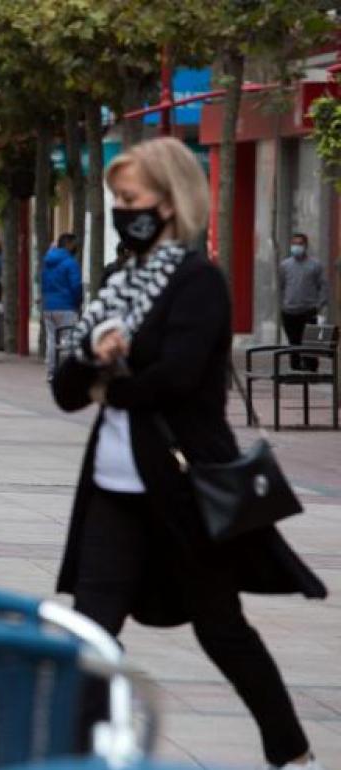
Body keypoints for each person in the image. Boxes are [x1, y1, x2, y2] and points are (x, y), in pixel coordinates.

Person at [52, 137, 326, 770]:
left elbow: (176, 379)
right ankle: (78, 754)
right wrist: (97, 361)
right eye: (117, 200)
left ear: (170, 203)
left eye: (131, 199)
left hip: (182, 489)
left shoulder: (197, 280)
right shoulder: (120, 282)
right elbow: (69, 389)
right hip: (113, 491)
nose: (123, 211)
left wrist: (109, 374)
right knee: (90, 630)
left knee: (221, 630)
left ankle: (292, 751)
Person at [278, 233, 329, 372]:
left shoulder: (315, 265)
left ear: (305, 246)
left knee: (309, 344)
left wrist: (319, 305)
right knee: (293, 343)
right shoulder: (285, 265)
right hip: (289, 311)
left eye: (299, 244)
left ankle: (311, 369)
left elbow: (323, 286)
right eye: (294, 244)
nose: (296, 247)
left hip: (308, 310)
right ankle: (295, 369)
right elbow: (281, 286)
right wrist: (283, 304)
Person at [41, 233, 83, 380]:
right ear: (68, 245)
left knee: (51, 340)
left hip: (49, 306)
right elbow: (76, 286)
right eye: (74, 244)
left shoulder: (47, 262)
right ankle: (68, 373)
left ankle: (51, 372)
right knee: (68, 339)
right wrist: (78, 303)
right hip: (67, 306)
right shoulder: (71, 263)